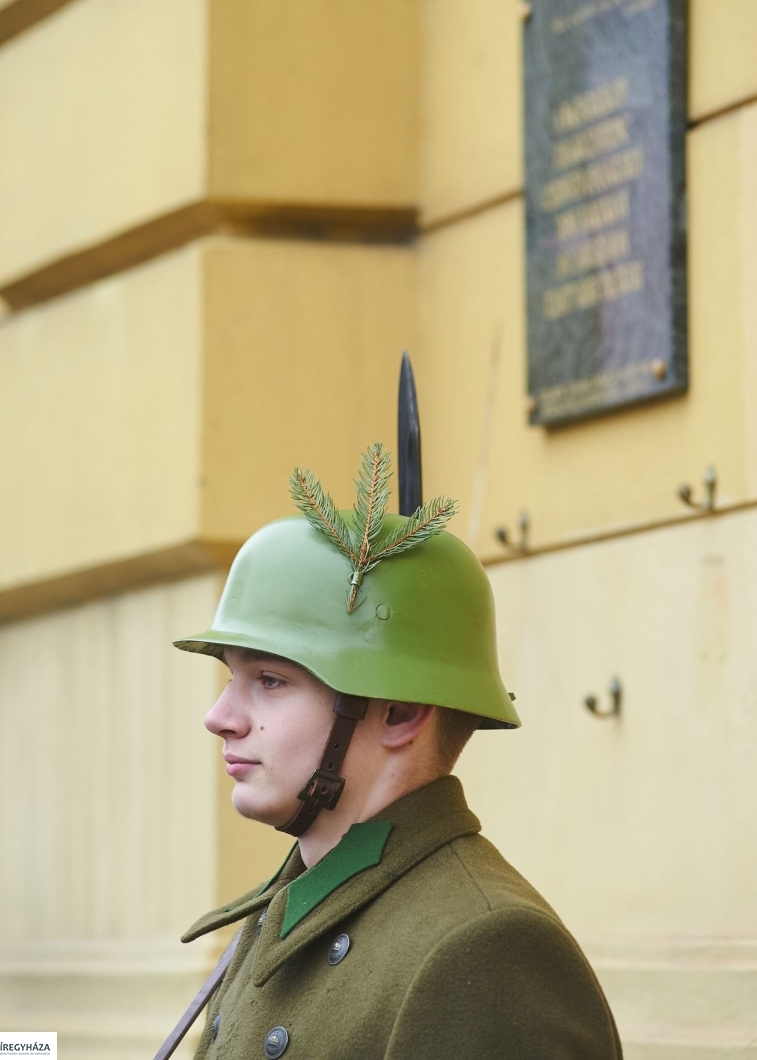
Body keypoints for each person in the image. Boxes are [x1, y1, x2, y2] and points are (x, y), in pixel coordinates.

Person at [172, 443, 622, 1059]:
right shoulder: (294, 906)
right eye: (232, 678)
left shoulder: (485, 947)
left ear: (402, 712)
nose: (218, 718)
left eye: (270, 682)